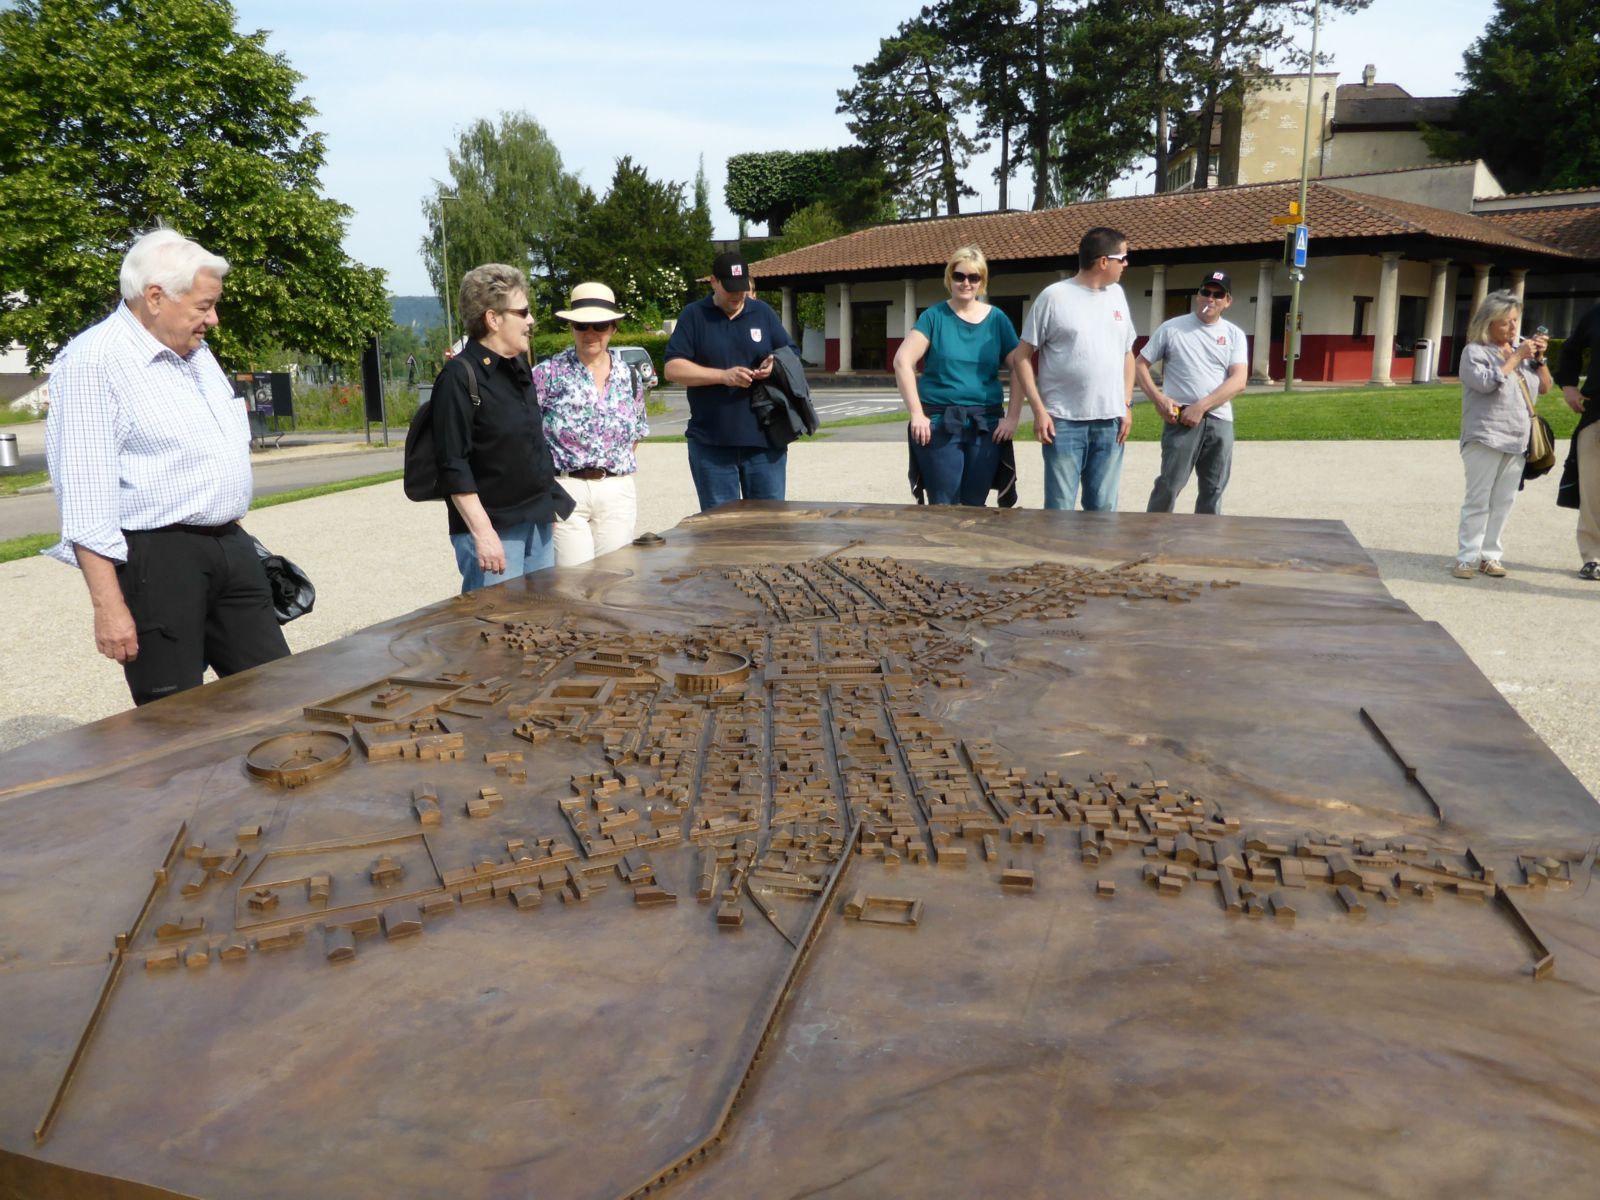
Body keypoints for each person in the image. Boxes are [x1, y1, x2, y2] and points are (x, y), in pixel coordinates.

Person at [43, 227, 290, 705]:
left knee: (278, 693)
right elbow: (85, 499)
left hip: (230, 545)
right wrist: (108, 607)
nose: (213, 319)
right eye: (204, 306)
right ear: (155, 297)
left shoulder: (196, 353)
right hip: (158, 560)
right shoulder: (93, 362)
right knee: (174, 716)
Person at [431, 263, 572, 593]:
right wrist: (483, 533)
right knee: (495, 622)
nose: (531, 320)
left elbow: (530, 446)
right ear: (493, 319)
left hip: (536, 521)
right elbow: (453, 464)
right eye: (522, 312)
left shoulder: (518, 367)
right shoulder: (459, 377)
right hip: (496, 529)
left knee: (539, 617)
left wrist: (547, 508)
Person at [894, 245, 1036, 505]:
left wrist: (1013, 418)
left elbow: (1019, 364)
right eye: (959, 276)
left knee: (975, 504)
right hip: (940, 422)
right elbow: (902, 361)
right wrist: (916, 413)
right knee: (943, 503)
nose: (966, 283)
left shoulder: (997, 320)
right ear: (950, 277)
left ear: (982, 281)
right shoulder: (934, 317)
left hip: (985, 423)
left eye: (974, 277)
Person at [664, 251, 795, 511]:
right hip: (712, 446)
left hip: (765, 443)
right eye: (730, 288)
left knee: (769, 524)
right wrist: (723, 376)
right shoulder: (694, 315)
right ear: (713, 282)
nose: (737, 295)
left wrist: (774, 363)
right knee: (720, 529)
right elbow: (672, 368)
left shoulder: (762, 312)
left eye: (742, 288)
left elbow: (790, 352)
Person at [1017, 226, 1137, 511]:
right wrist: (1039, 410)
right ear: (1103, 261)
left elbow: (1127, 353)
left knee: (1104, 508)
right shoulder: (1054, 297)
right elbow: (1022, 357)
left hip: (1110, 422)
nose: (1126, 264)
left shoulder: (1117, 295)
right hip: (1063, 422)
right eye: (1122, 257)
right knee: (1060, 509)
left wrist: (1126, 403)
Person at [533, 282, 649, 566]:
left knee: (616, 577)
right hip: (566, 486)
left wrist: (609, 465)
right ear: (571, 327)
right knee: (574, 579)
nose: (590, 333)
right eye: (582, 326)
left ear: (613, 328)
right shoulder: (548, 373)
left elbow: (636, 432)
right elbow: (526, 431)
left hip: (616, 489)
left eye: (600, 325)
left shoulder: (629, 376)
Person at [1453, 290, 1550, 579]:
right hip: (1484, 435)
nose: (1513, 327)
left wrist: (1540, 360)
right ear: (1489, 322)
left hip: (1518, 437)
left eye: (1515, 320)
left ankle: (1490, 556)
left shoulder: (1523, 352)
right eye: (1506, 321)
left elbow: (1545, 387)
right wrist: (1515, 358)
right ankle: (1466, 558)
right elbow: (1485, 384)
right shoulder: (1475, 352)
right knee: (1478, 500)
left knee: (1504, 501)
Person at [1137, 269, 1250, 514]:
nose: (1211, 299)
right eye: (1206, 292)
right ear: (1198, 295)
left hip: (1219, 420)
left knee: (1213, 489)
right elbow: (1140, 364)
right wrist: (1158, 399)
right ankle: (1154, 532)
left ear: (1227, 301)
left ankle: (1205, 537)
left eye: (1218, 295)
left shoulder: (1234, 335)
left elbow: (1239, 380)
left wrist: (1201, 406)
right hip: (1181, 418)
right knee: (1169, 484)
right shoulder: (1172, 328)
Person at [1554, 301, 1600, 580]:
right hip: (1597, 412)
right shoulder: (1596, 313)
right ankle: (1593, 557)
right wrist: (1569, 385)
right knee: (1593, 490)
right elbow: (1571, 350)